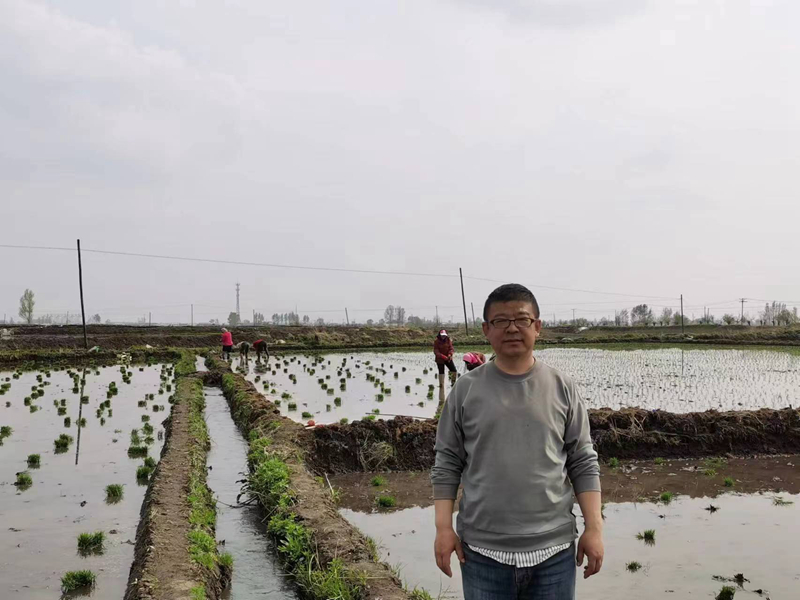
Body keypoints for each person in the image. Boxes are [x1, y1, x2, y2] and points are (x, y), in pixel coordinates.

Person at [431, 283, 603, 600]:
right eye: (500, 321)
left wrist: (594, 527)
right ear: (486, 329)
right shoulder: (466, 390)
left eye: (522, 319)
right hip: (482, 554)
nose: (512, 328)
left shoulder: (562, 387)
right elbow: (447, 463)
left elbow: (582, 460)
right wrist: (444, 528)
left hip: (554, 552)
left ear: (537, 326)